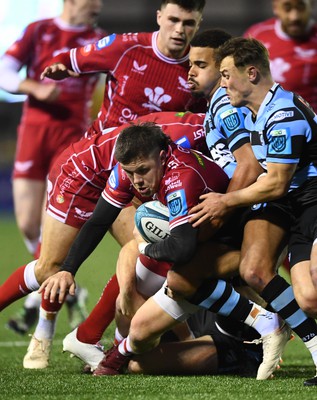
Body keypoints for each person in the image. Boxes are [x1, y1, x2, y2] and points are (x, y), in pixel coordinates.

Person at [59, 28, 264, 367]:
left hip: (238, 214)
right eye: (189, 64)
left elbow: (249, 166)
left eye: (200, 64)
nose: (189, 72)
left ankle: (258, 336)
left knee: (254, 275)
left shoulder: (216, 121)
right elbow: (100, 220)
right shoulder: (136, 161)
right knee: (145, 259)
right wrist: (69, 268)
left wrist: (222, 210)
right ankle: (94, 339)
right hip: (220, 216)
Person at [40, 123, 291, 380]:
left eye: (142, 171)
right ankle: (118, 351)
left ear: (161, 156)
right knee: (138, 333)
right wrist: (68, 270)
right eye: (130, 173)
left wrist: (144, 247)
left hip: (233, 248)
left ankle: (255, 341)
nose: (137, 181)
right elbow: (98, 221)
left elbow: (181, 249)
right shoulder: (130, 171)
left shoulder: (180, 177)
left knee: (177, 278)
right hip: (200, 257)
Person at [0, 111, 206, 369]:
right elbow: (98, 222)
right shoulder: (201, 129)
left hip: (131, 169)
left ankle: (96, 341)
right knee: (49, 269)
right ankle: (56, 333)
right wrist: (68, 270)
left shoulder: (188, 140)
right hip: (87, 172)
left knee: (151, 257)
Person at [188, 37, 317, 386]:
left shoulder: (284, 115)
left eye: (227, 74)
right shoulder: (259, 113)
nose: (223, 81)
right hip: (290, 203)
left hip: (311, 200)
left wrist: (225, 202)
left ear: (253, 74)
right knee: (274, 280)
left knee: (312, 286)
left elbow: (275, 182)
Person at [0, 0, 106, 342]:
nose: (99, 4)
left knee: (54, 225)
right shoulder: (39, 31)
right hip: (34, 132)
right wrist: (34, 87)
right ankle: (64, 289)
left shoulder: (98, 39)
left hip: (72, 138)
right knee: (29, 223)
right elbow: (4, 70)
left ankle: (43, 303)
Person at [40, 0, 207, 133]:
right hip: (102, 152)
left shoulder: (199, 70)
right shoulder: (125, 47)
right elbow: (67, 58)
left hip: (153, 165)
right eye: (173, 20)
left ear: (198, 24)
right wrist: (58, 65)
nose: (179, 30)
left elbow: (201, 123)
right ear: (159, 17)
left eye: (189, 23)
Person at [243, 0, 317, 111]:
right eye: (287, 8)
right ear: (276, 8)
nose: (294, 17)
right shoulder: (256, 35)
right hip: (262, 122)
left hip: (307, 124)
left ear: (311, 6)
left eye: (301, 7)